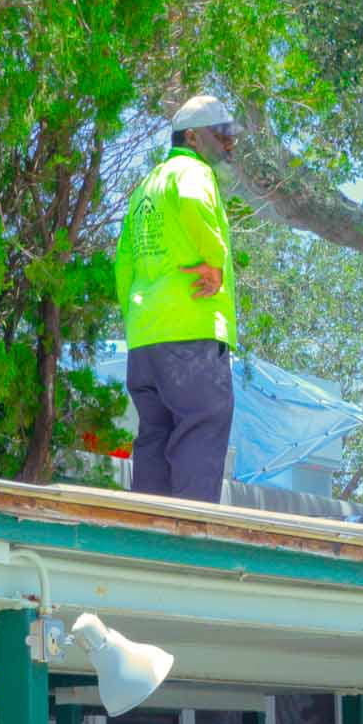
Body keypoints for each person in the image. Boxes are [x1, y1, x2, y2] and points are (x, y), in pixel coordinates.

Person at [115, 94, 240, 502]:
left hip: (146, 339)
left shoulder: (145, 189)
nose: (228, 144)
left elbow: (123, 264)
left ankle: (150, 535)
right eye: (220, 135)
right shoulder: (191, 171)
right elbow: (189, 200)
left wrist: (138, 317)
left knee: (155, 436)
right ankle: (193, 541)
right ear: (191, 136)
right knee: (202, 425)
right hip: (190, 331)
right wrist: (214, 260)